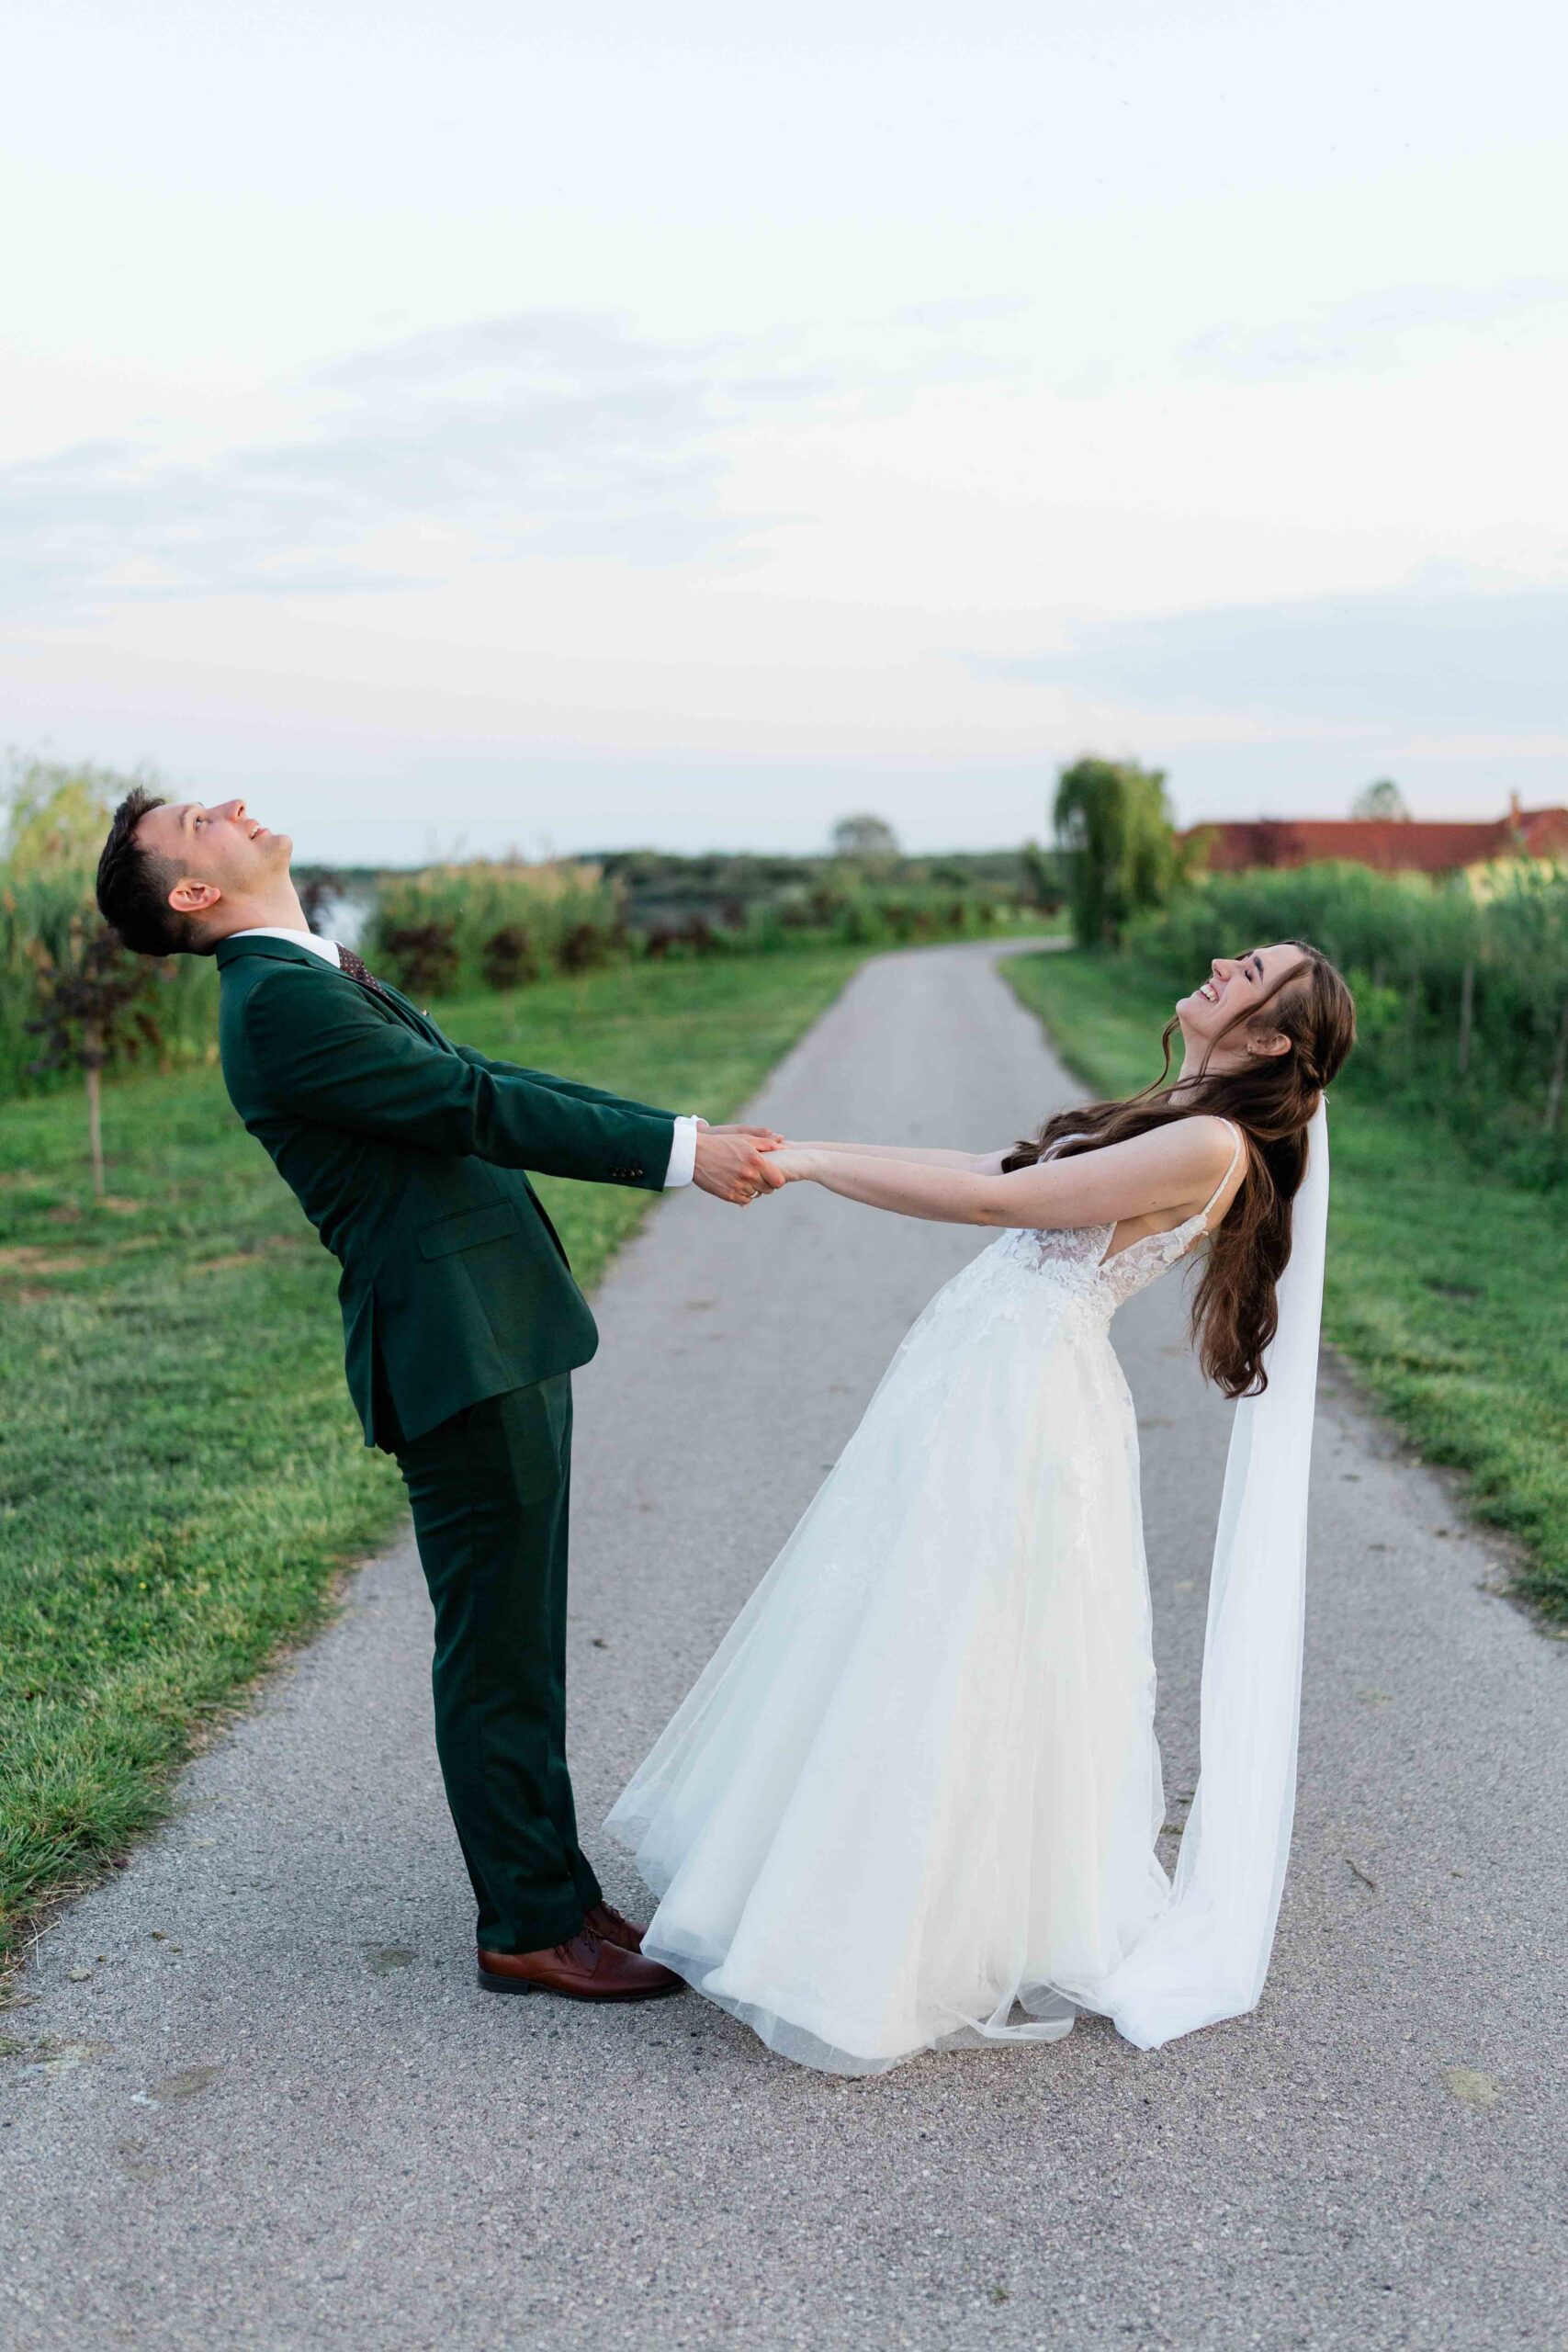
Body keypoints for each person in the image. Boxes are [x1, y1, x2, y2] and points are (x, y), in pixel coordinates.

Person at [609, 940, 1355, 2073]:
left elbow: (989, 1200)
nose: (1219, 961)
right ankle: (826, 1876)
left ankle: (877, 1936)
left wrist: (811, 1166)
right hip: (982, 1372)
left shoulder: (1211, 1143)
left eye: (1248, 971)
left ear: (1270, 1038)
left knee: (945, 1642)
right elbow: (987, 1161)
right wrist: (803, 1146)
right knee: (894, 1619)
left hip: (1022, 1402)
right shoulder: (1179, 1111)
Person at [96, 792, 783, 2006]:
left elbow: (468, 1078)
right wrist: (682, 1154)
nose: (232, 808)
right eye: (197, 820)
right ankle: (526, 1923)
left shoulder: (303, 970)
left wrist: (673, 1133)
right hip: (452, 1347)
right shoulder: (278, 1002)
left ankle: (557, 1889)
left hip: (491, 1332)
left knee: (520, 1635)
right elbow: (474, 1106)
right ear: (192, 893)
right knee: (497, 1647)